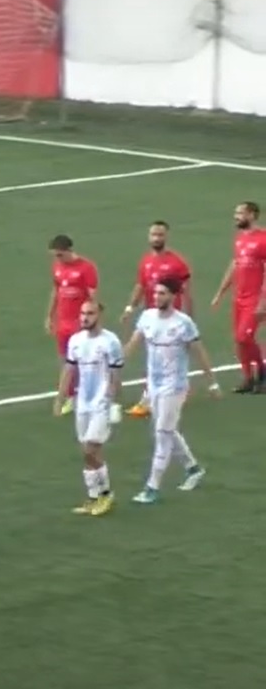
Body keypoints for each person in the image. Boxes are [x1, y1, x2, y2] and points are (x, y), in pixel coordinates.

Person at [125, 279, 219, 504]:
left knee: (162, 433)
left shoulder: (183, 323)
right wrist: (114, 365)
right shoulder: (147, 317)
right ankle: (193, 468)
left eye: (162, 293)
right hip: (154, 385)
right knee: (165, 430)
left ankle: (152, 487)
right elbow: (132, 343)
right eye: (155, 293)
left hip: (174, 386)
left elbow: (199, 353)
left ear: (173, 296)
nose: (157, 297)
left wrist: (212, 383)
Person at [54, 300, 123, 515]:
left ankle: (106, 494)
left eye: (90, 313)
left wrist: (114, 402)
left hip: (101, 404)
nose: (85, 317)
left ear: (99, 315)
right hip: (82, 403)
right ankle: (94, 497)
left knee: (90, 449)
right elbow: (68, 370)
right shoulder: (75, 341)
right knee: (87, 453)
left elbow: (115, 375)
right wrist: (60, 398)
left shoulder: (110, 341)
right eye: (83, 313)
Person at [122, 222, 192, 417]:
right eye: (153, 234)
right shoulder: (146, 261)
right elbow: (141, 285)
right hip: (151, 317)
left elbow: (187, 292)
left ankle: (150, 399)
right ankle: (164, 394)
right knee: (156, 358)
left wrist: (189, 318)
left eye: (160, 235)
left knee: (165, 359)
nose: (156, 238)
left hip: (171, 319)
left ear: (166, 237)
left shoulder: (177, 263)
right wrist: (130, 307)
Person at [208, 201, 266, 393]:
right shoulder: (240, 239)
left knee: (244, 337)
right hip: (238, 297)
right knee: (239, 341)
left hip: (254, 298)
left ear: (252, 215)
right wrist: (220, 293)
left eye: (240, 213)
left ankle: (262, 373)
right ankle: (248, 378)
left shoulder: (263, 238)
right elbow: (235, 265)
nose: (236, 216)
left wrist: (263, 301)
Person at [45, 235, 100, 414]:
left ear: (69, 250)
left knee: (85, 361)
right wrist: (49, 316)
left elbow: (93, 297)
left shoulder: (86, 268)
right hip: (63, 323)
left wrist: (94, 321)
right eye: (55, 255)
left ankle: (90, 394)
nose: (57, 259)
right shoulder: (57, 267)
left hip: (80, 323)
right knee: (65, 360)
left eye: (60, 255)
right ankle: (71, 396)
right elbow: (56, 290)